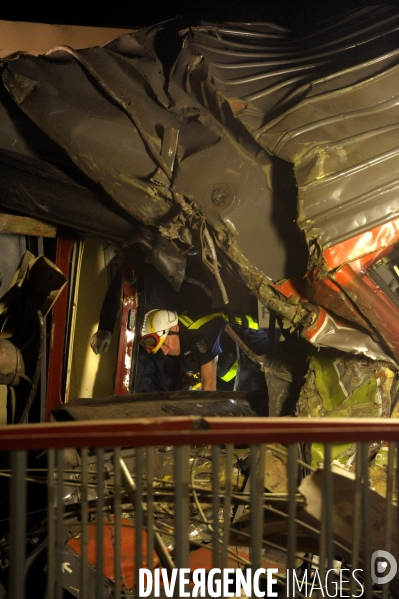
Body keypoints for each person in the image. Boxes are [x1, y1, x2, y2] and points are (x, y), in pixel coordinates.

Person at [140, 308, 269, 392]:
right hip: (232, 361)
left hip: (252, 343)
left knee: (252, 402)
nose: (165, 352)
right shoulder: (183, 344)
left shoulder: (199, 335)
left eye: (164, 344)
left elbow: (209, 383)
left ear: (174, 328)